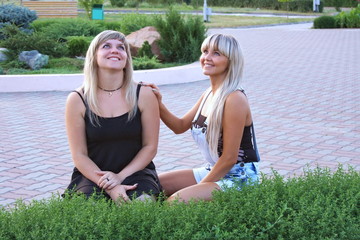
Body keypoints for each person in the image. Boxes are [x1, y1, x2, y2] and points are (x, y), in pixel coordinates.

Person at [145, 33, 260, 203]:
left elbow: (229, 158)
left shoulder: (234, 99)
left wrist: (198, 188)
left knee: (174, 202)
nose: (207, 58)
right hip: (214, 169)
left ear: (231, 61)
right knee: (152, 186)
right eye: (205, 51)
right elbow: (180, 126)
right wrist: (158, 103)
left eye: (216, 53)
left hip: (239, 177)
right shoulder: (209, 94)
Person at [64, 30, 162, 202]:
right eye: (106, 46)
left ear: (126, 58)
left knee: (142, 205)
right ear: (94, 56)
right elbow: (79, 155)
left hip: (136, 172)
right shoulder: (77, 99)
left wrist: (120, 176)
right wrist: (111, 185)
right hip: (92, 174)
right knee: (90, 210)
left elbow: (150, 147)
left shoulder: (144, 94)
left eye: (121, 47)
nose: (115, 50)